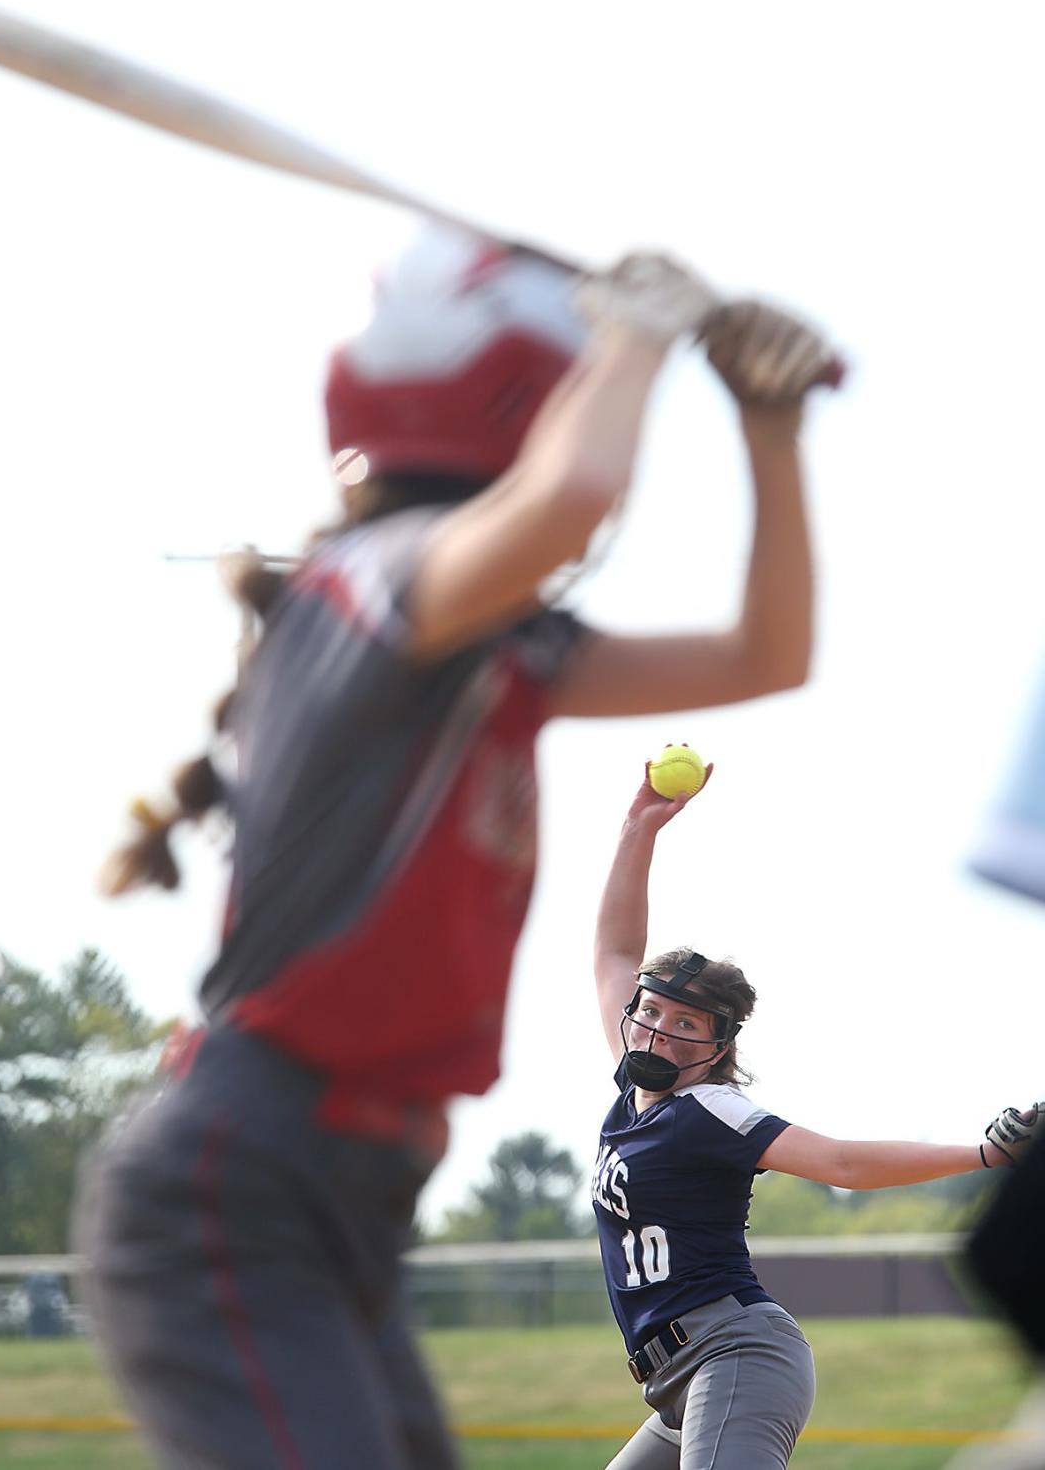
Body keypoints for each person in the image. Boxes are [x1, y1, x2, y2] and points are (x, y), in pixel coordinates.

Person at [75, 224, 837, 1470]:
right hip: (240, 1175)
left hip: (344, 1191)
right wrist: (638, 336)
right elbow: (573, 499)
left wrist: (769, 426)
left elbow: (769, 653)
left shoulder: (483, 652)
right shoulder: (370, 586)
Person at [591, 766, 1041, 1470]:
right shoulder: (634, 1092)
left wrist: (984, 1156)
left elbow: (841, 1165)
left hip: (735, 1355)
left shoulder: (709, 1107)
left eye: (687, 1023)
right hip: (674, 1382)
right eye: (652, 1011)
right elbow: (616, 951)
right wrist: (637, 830)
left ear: (718, 1048)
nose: (659, 1030)